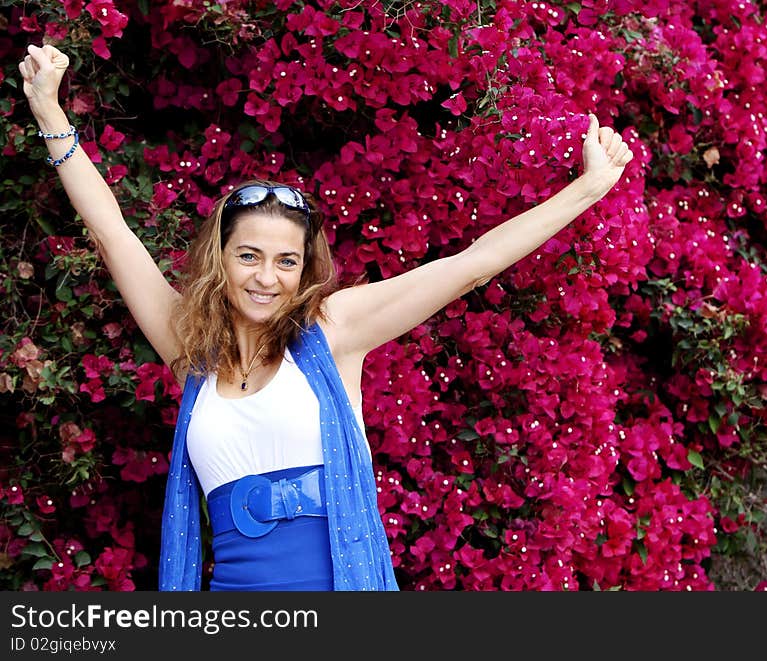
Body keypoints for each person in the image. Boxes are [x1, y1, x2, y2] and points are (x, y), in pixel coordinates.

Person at [19, 43, 634, 591]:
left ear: (305, 267)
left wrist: (589, 187)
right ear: (221, 259)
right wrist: (49, 111)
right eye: (250, 256)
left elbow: (473, 264)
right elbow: (113, 234)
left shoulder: (334, 330)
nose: (267, 277)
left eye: (287, 260)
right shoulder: (192, 349)